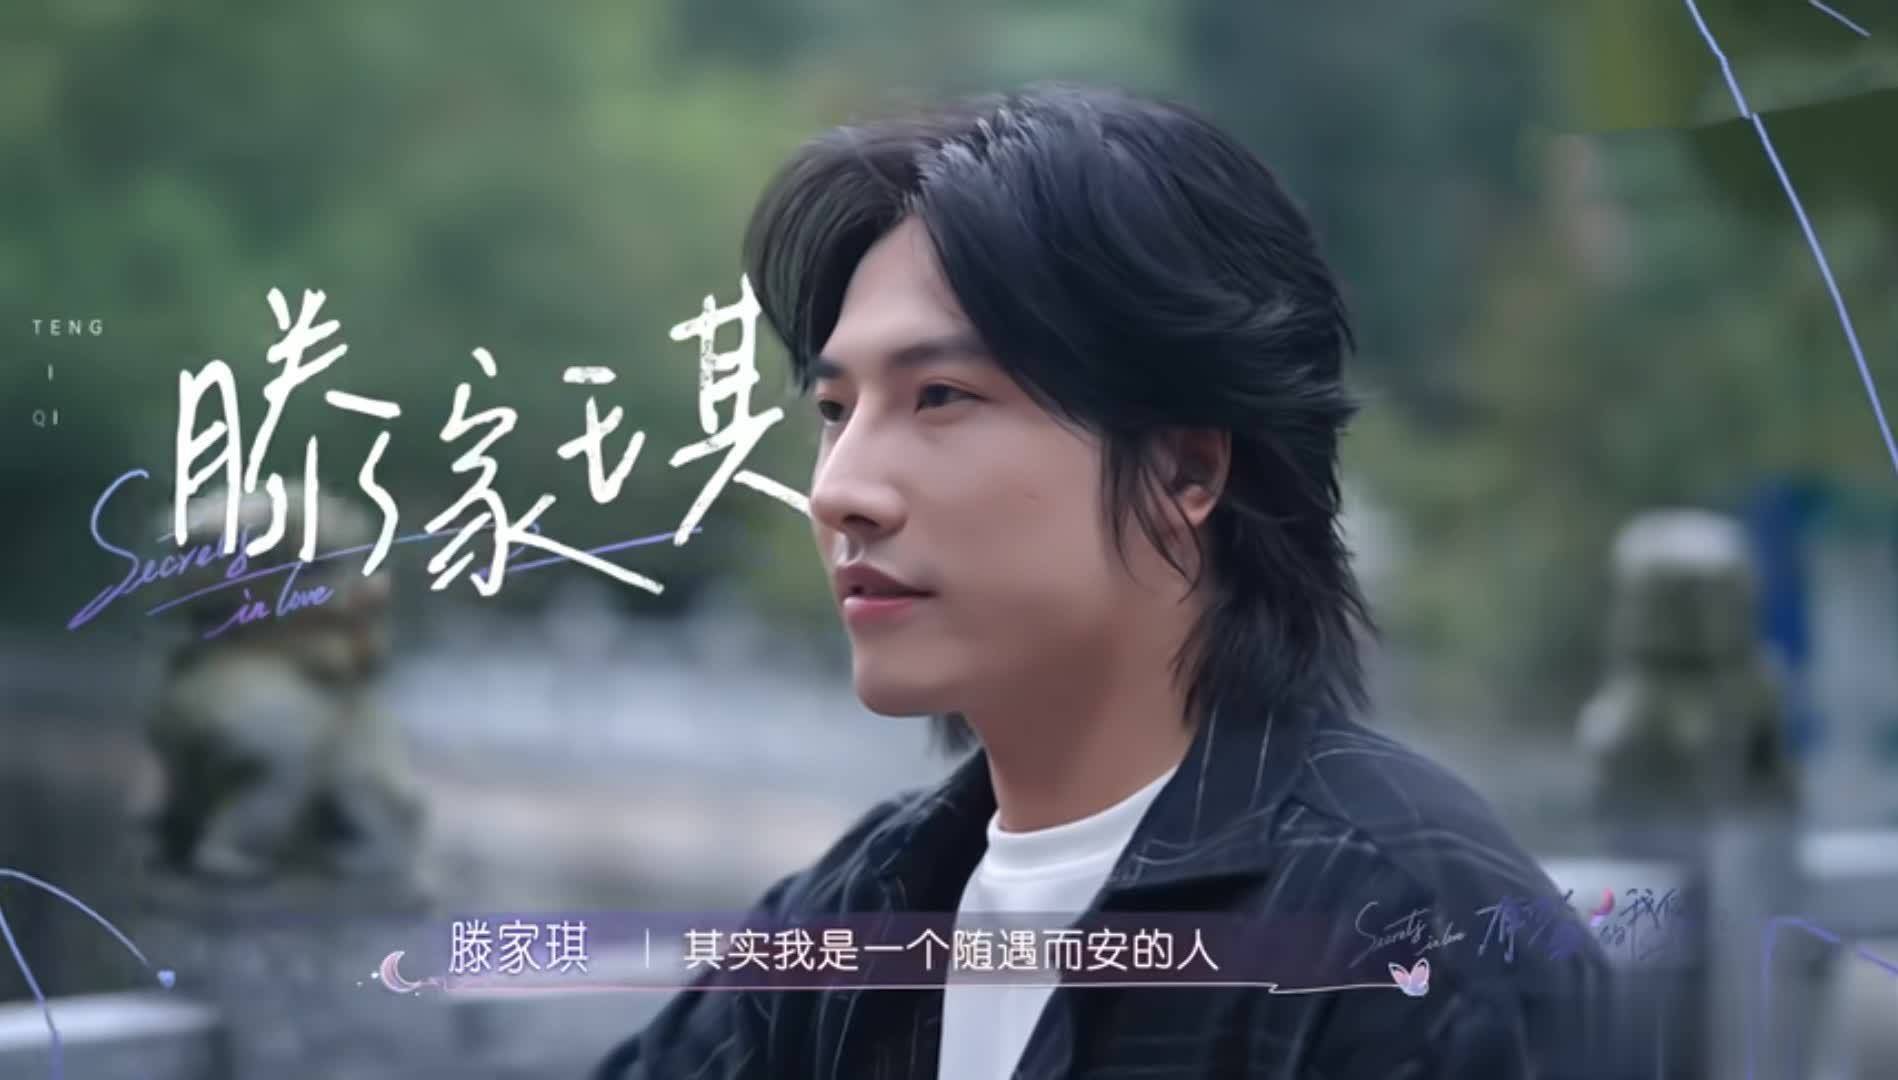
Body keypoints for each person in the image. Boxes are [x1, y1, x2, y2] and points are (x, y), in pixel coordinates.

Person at [597, 83, 1624, 1079]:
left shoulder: (1411, 950)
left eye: (940, 395)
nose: (838, 492)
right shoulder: (856, 922)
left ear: (1185, 470)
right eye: (835, 411)